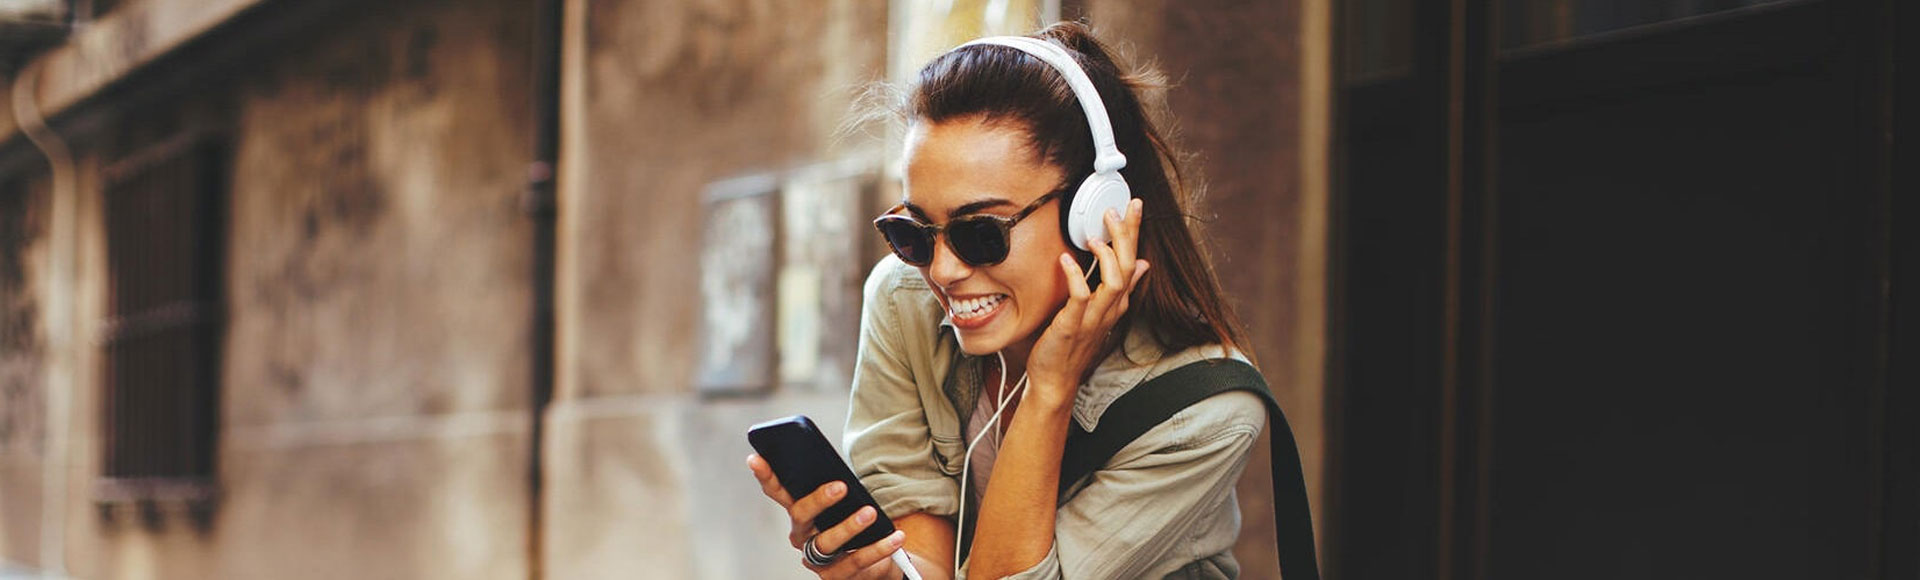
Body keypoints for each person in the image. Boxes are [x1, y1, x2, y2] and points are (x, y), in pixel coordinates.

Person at [748, 22, 1269, 579]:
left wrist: (1050, 388)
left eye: (981, 233)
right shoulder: (904, 301)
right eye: (914, 233)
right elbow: (924, 555)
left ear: (1094, 215)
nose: (943, 270)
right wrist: (873, 566)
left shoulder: (1203, 413)